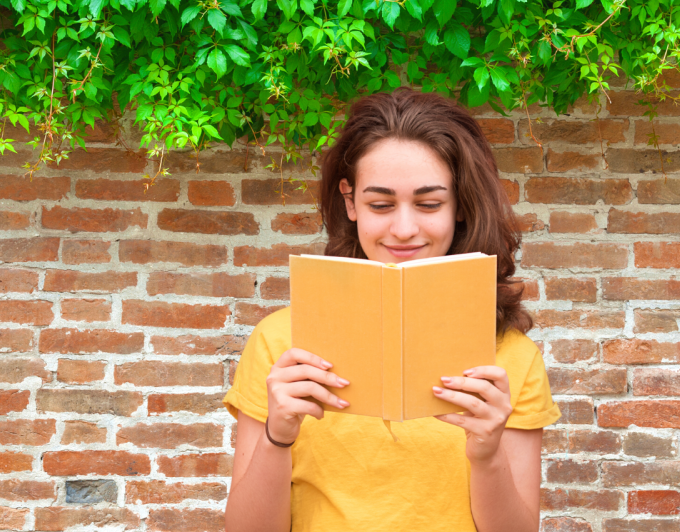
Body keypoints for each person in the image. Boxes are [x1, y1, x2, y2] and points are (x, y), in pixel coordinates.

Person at [222, 88, 561, 532]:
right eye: (380, 205)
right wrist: (276, 438)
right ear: (350, 202)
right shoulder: (280, 342)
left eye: (429, 204)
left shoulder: (511, 359)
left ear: (460, 204)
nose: (404, 229)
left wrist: (487, 454)